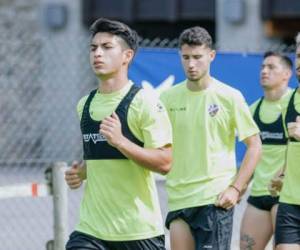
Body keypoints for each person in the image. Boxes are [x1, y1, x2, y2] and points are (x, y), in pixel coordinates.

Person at [64, 18, 172, 250]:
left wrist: (122, 142)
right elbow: (100, 157)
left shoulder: (145, 102)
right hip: (91, 230)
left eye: (107, 47)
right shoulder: (84, 104)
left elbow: (165, 162)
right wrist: (81, 172)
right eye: (93, 48)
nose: (98, 54)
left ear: (127, 56)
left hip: (138, 231)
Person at [160, 26, 262, 250]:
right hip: (179, 198)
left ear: (211, 56)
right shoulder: (166, 98)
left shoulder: (230, 96)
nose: (191, 64)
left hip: (214, 199)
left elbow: (254, 146)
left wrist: (235, 188)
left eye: (197, 57)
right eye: (186, 57)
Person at [240, 51, 293, 250]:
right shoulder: (253, 110)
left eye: (271, 67)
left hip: (288, 195)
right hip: (259, 196)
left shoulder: (295, 105)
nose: (264, 71)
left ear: (287, 74)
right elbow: (252, 154)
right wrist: (240, 185)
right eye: (262, 67)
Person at [273, 33, 300, 250]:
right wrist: (283, 171)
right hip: (290, 202)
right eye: (299, 56)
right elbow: (293, 147)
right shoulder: (289, 99)